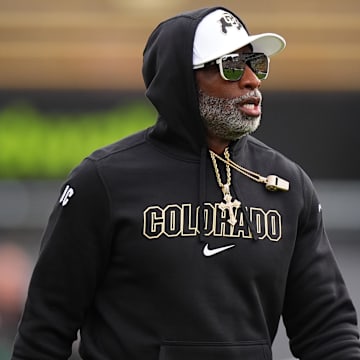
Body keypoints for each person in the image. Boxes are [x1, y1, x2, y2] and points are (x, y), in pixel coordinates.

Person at [11, 6, 360, 360]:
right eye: (231, 67)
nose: (252, 79)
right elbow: (44, 332)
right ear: (181, 79)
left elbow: (328, 331)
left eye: (256, 63)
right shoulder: (102, 180)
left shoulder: (288, 184)